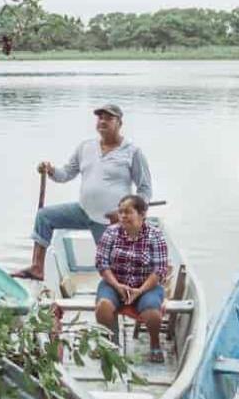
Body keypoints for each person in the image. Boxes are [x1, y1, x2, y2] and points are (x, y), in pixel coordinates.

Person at [13, 103, 151, 281]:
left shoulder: (132, 152)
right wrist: (51, 170)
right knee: (44, 217)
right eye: (100, 117)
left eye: (109, 118)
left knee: (114, 272)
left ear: (120, 123)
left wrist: (131, 215)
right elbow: (66, 174)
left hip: (111, 220)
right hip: (83, 211)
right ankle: (37, 268)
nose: (103, 121)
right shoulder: (85, 147)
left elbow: (145, 189)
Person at [94, 195, 170, 363]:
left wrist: (139, 290)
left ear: (142, 214)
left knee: (152, 312)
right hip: (114, 283)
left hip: (146, 287)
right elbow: (101, 263)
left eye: (128, 212)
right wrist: (117, 285)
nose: (123, 216)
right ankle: (109, 343)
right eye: (120, 212)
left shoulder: (155, 235)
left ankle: (155, 344)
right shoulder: (111, 232)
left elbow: (159, 270)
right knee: (103, 307)